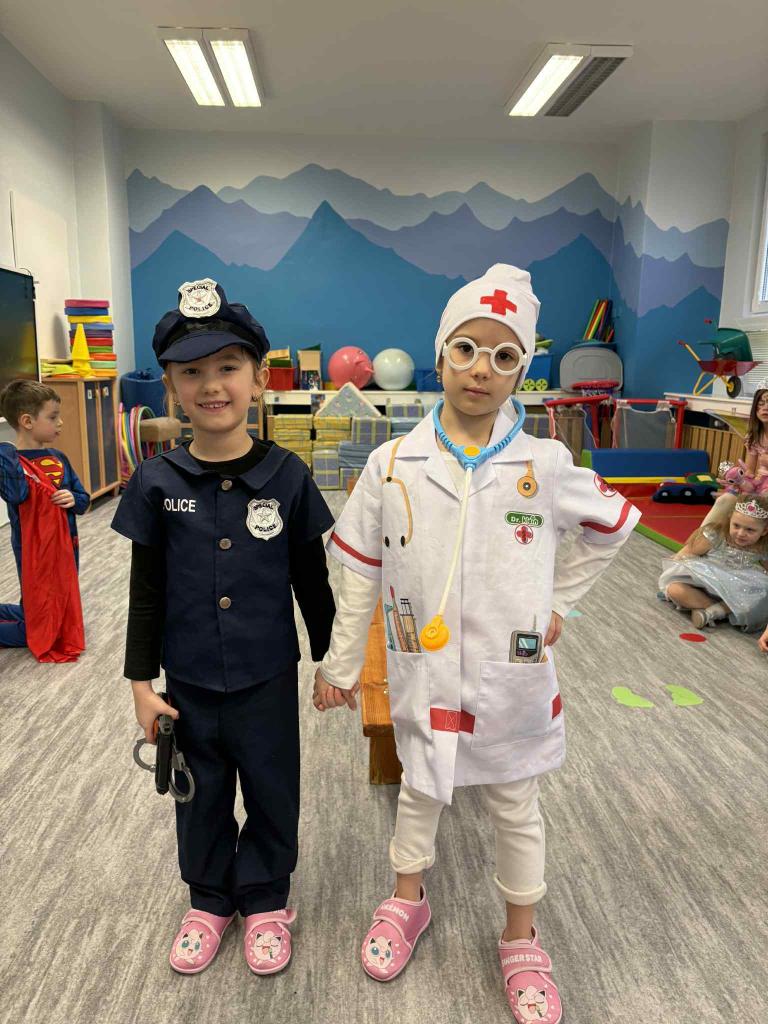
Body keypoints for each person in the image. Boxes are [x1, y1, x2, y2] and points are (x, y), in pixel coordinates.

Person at [312, 265, 641, 1024]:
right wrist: (338, 665)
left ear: (522, 370)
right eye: (465, 348)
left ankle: (522, 937)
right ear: (439, 355)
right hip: (424, 670)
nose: (480, 369)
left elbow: (613, 526)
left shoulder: (545, 465)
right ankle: (408, 899)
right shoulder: (392, 464)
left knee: (515, 804)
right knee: (421, 788)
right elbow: (359, 573)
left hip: (508, 677)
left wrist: (557, 601)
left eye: (503, 355)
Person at [111, 279, 340, 977]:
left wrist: (332, 662)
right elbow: (145, 592)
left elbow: (312, 580)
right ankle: (209, 899)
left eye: (228, 367)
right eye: (192, 372)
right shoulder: (157, 482)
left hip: (266, 674)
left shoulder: (288, 476)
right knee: (199, 792)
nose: (211, 385)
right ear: (172, 387)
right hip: (188, 679)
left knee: (272, 787)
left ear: (258, 378)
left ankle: (266, 899)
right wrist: (140, 684)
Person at [0, 380, 88, 659]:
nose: (60, 423)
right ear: (27, 421)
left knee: (56, 593)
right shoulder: (10, 463)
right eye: (52, 417)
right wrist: (6, 452)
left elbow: (83, 499)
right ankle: (31, 623)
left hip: (66, 545)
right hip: (32, 550)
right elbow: (16, 494)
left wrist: (73, 498)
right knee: (37, 611)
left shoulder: (59, 458)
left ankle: (32, 615)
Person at [659, 494, 768, 630]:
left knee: (761, 592)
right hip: (706, 580)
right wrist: (673, 567)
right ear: (730, 520)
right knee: (674, 589)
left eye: (750, 530)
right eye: (736, 526)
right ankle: (716, 611)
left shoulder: (763, 547)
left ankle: (708, 611)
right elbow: (688, 552)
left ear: (764, 531)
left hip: (737, 588)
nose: (741, 533)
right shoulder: (716, 534)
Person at [744, 381, 768, 484]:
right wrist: (740, 480)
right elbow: (750, 471)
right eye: (761, 403)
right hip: (761, 485)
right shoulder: (753, 436)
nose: (766, 408)